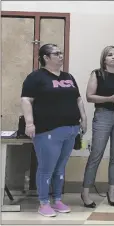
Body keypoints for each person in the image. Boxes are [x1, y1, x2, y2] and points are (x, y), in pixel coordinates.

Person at [20, 43, 87, 217]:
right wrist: (29, 123)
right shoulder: (36, 77)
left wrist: (83, 118)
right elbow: (26, 100)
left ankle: (57, 200)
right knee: (46, 168)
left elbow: (78, 99)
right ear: (45, 58)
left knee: (60, 168)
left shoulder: (68, 76)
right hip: (47, 130)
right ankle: (43, 203)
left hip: (71, 129)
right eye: (56, 53)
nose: (60, 56)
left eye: (61, 52)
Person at [81, 45, 114, 207]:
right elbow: (89, 97)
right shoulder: (97, 74)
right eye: (110, 55)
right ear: (104, 59)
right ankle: (85, 192)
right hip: (103, 116)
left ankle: (112, 191)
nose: (113, 57)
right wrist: (110, 99)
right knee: (96, 155)